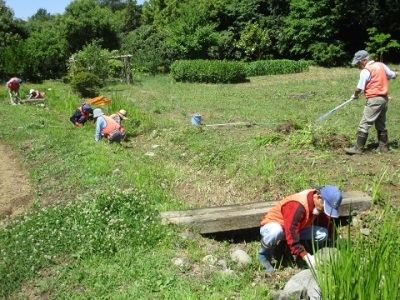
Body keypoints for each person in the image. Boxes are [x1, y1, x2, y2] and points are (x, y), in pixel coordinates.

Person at [258, 185, 342, 274]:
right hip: (274, 226)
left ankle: (294, 248)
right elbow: (291, 233)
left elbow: (326, 221)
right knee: (276, 231)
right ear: (318, 197)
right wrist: (307, 257)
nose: (324, 210)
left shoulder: (317, 202)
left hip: (296, 228)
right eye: (325, 207)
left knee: (323, 234)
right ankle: (264, 255)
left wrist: (337, 238)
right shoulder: (297, 206)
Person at [344, 50, 398, 154]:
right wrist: (395, 74)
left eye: (358, 63)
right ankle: (384, 147)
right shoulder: (381, 65)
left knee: (365, 123)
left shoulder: (366, 70)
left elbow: (359, 88)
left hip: (374, 100)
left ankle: (358, 149)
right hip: (383, 99)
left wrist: (355, 95)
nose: (357, 65)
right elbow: (392, 75)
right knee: (380, 123)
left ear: (364, 60)